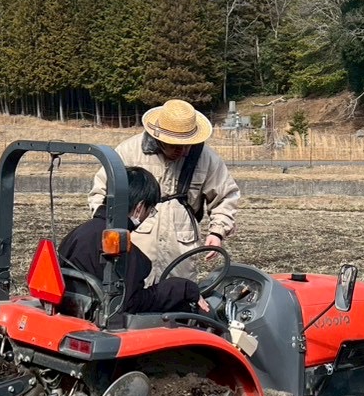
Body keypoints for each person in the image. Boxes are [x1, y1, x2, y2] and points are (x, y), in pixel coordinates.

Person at [87, 98, 241, 282]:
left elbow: (226, 196)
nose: (183, 152)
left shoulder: (205, 158)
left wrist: (217, 232)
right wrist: (106, 229)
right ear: (159, 138)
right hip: (134, 244)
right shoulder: (127, 152)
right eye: (176, 146)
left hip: (181, 249)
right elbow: (101, 192)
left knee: (178, 297)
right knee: (131, 297)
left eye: (188, 145)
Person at [60, 167, 204, 314]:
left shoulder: (76, 234)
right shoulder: (124, 251)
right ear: (139, 208)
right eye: (150, 210)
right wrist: (183, 288)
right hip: (104, 324)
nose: (148, 216)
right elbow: (130, 304)